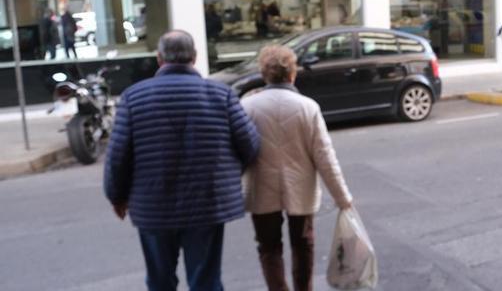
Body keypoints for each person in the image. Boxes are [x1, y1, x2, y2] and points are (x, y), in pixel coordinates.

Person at [104, 30, 261, 291]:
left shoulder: (133, 97)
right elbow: (251, 146)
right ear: (195, 57)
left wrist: (116, 196)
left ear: (159, 58)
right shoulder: (221, 94)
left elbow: (118, 157)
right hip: (207, 204)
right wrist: (227, 174)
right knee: (206, 281)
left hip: (153, 207)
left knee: (160, 280)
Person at [242, 45, 353, 291]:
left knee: (269, 247)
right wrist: (342, 198)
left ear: (264, 74)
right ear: (293, 74)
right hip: (300, 188)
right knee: (303, 245)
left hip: (261, 189)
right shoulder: (307, 107)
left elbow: (238, 154)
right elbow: (325, 157)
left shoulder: (248, 107)